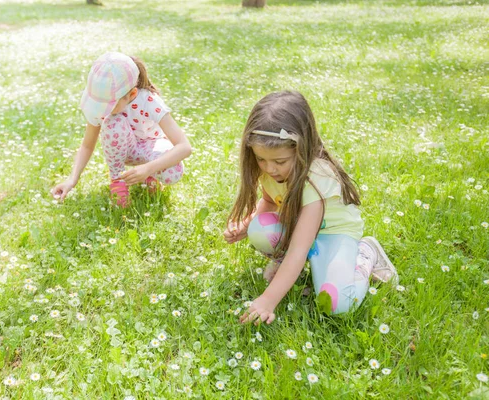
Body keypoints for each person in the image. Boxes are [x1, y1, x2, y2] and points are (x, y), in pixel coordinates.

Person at [223, 91, 398, 324]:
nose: (269, 168)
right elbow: (268, 200)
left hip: (333, 234)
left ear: (301, 149)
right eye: (261, 159)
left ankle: (366, 254)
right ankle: (292, 269)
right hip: (298, 229)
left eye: (280, 161)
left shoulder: (315, 178)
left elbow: (299, 248)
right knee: (259, 228)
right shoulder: (269, 171)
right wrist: (247, 224)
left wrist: (268, 300)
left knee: (336, 304)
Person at [51, 52, 191, 207]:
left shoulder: (149, 101)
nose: (105, 110)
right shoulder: (100, 106)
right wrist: (72, 179)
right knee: (113, 122)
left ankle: (149, 176)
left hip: (152, 151)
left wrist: (148, 168)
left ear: (131, 94)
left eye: (109, 104)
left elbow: (184, 147)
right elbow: (87, 145)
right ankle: (118, 182)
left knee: (173, 172)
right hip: (125, 151)